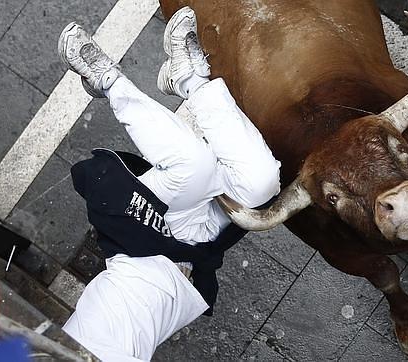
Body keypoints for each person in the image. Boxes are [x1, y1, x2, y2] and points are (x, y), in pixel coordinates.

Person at [57, 6, 281, 361]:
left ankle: (108, 81)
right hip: (197, 246)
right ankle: (188, 79)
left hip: (144, 234)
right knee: (262, 185)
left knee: (196, 165)